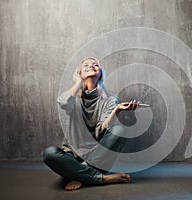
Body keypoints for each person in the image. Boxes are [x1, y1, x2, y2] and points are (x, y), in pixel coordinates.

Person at [43, 58, 140, 190]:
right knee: (50, 153)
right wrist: (78, 83)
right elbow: (64, 103)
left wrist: (116, 111)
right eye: (86, 66)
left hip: (98, 157)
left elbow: (100, 132)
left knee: (119, 130)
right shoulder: (73, 97)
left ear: (101, 73)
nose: (91, 66)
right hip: (72, 156)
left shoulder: (111, 100)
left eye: (95, 65)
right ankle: (100, 179)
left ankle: (78, 175)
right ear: (79, 73)